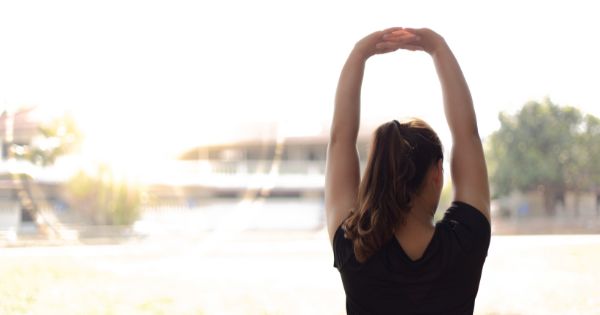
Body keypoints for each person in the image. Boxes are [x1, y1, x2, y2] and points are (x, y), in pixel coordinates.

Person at [325, 27, 491, 314]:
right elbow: (468, 136)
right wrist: (438, 47)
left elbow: (340, 140)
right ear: (437, 172)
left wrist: (359, 54)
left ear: (376, 173)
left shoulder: (354, 250)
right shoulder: (466, 242)